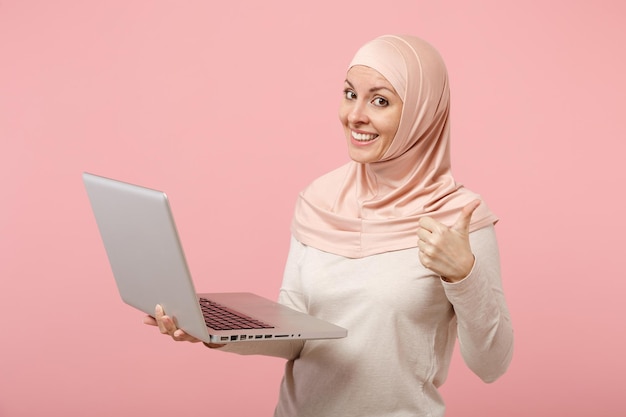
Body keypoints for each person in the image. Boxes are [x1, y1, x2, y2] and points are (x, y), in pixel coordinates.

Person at [144, 34, 514, 417]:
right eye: (350, 94)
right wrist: (213, 332)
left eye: (380, 100)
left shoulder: (457, 217)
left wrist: (463, 276)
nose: (354, 115)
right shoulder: (319, 199)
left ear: (423, 112)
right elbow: (297, 333)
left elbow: (493, 364)